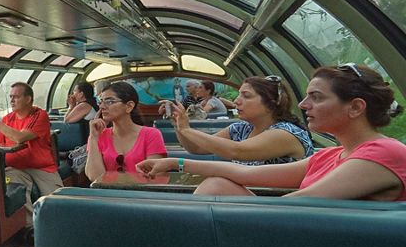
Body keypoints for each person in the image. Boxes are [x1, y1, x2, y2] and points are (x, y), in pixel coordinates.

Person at [138, 65, 406, 200]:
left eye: (316, 98)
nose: (303, 105)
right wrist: (175, 162)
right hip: (309, 236)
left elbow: (300, 204)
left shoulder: (384, 152)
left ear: (356, 107)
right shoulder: (332, 155)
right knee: (217, 185)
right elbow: (244, 172)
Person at [165, 75, 312, 165]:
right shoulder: (241, 128)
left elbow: (236, 151)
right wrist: (178, 124)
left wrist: (186, 129)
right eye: (239, 95)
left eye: (246, 96)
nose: (236, 101)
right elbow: (196, 149)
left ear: (271, 102)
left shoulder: (285, 133)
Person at [0, 82, 62, 211]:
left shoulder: (39, 115)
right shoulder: (8, 119)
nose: (12, 101)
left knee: (57, 205)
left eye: (16, 97)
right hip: (15, 167)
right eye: (11, 97)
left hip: (41, 168)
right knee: (17, 198)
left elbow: (20, 138)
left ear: (28, 99)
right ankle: (30, 227)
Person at [84, 81, 167, 180]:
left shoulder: (151, 134)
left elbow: (155, 176)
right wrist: (93, 137)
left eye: (109, 101)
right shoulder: (98, 136)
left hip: (142, 193)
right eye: (100, 102)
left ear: (129, 106)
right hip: (107, 193)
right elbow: (95, 177)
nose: (102, 107)